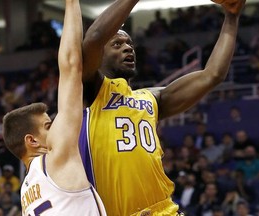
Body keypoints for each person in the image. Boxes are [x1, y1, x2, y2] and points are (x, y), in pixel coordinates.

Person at [80, 0, 246, 215]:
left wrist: (232, 18)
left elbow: (212, 75)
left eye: (129, 44)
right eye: (117, 44)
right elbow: (94, 38)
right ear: (98, 57)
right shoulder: (89, 91)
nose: (128, 47)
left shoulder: (151, 97)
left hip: (165, 210)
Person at [2, 0, 106, 215]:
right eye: (48, 126)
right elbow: (71, 65)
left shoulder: (26, 193)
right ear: (32, 140)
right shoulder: (57, 160)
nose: (58, 126)